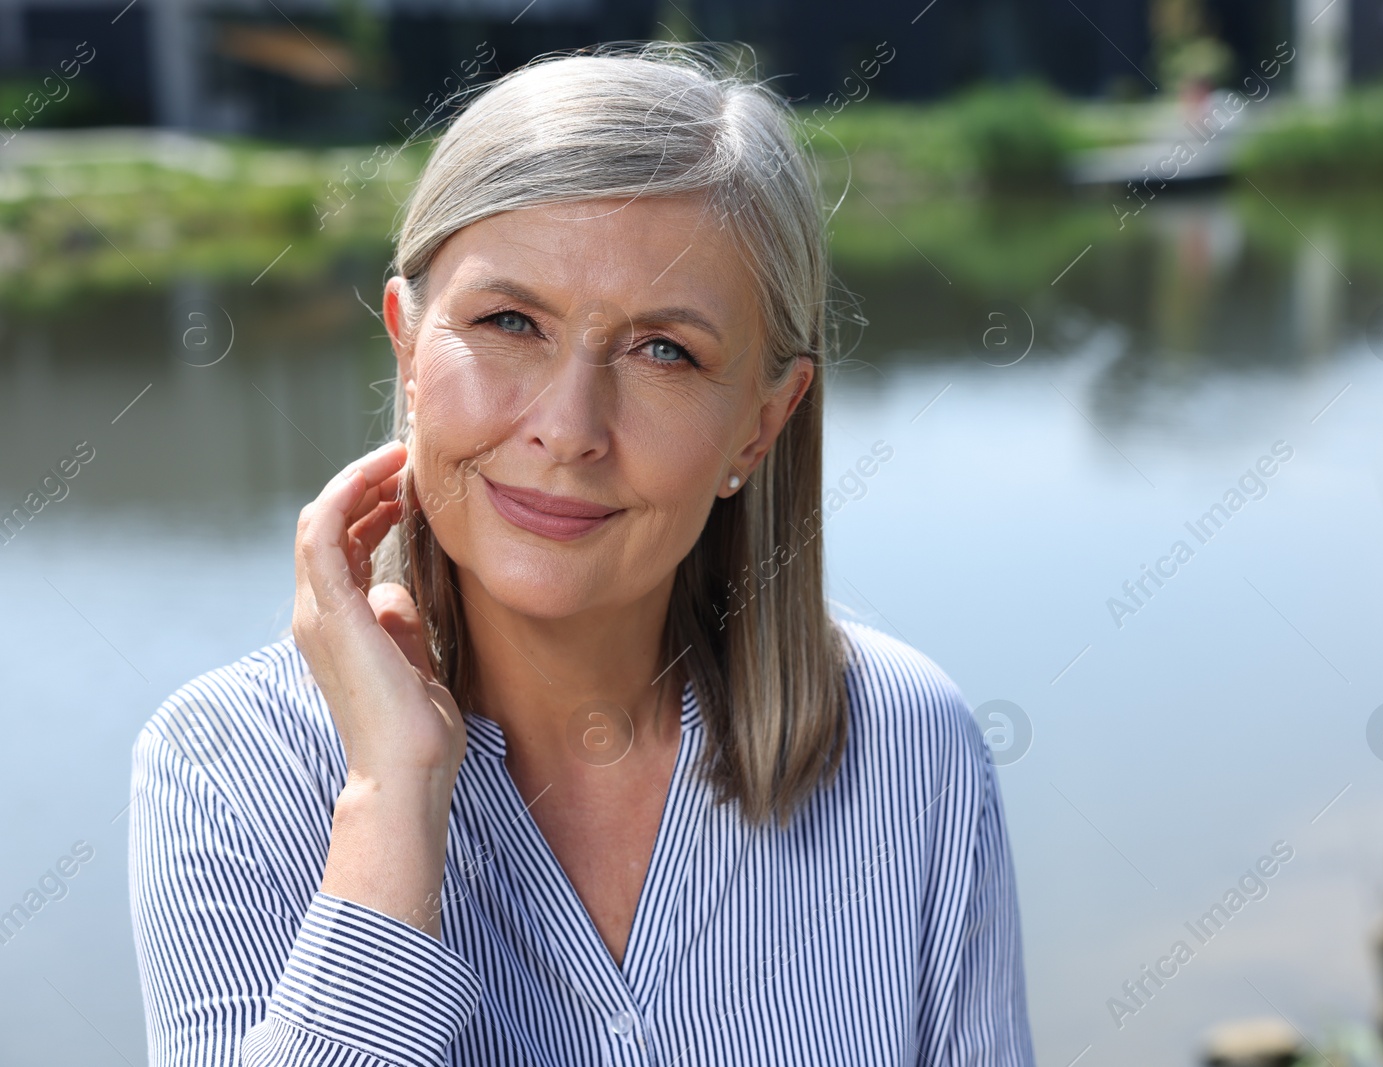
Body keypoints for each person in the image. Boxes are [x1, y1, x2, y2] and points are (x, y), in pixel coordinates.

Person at [129, 42, 1034, 1066]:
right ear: (408, 349)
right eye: (511, 321)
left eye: (664, 350)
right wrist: (393, 803)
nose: (568, 428)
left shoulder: (912, 748)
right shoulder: (226, 766)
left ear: (762, 422)